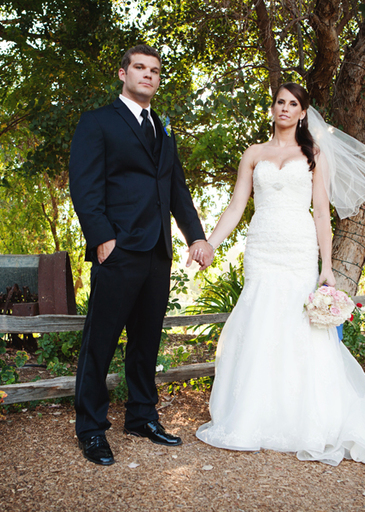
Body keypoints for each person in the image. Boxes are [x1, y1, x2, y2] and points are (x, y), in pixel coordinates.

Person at [194, 83, 365, 467]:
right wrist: (210, 242)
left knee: (298, 326)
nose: (285, 108)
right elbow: (235, 206)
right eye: (280, 102)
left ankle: (303, 415)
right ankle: (253, 414)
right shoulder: (254, 154)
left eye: (293, 104)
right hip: (261, 247)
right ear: (272, 107)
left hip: (297, 247)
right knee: (260, 320)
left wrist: (326, 267)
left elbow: (323, 213)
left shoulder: (313, 154)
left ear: (303, 112)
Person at [68, 44, 214, 466]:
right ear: (123, 73)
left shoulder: (163, 128)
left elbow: (176, 190)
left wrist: (196, 237)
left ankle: (141, 417)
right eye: (139, 68)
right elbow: (85, 186)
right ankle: (91, 429)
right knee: (101, 342)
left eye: (154, 70)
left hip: (157, 252)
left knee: (146, 342)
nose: (147, 75)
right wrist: (102, 240)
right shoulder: (97, 122)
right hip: (118, 248)